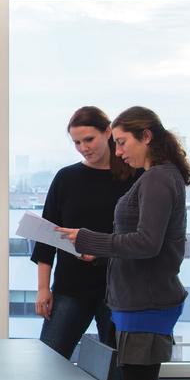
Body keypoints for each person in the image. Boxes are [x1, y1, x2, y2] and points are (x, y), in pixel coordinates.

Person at [58, 107, 190, 380]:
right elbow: (141, 244)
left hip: (145, 302)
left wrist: (89, 240)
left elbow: (147, 243)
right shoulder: (157, 177)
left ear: (146, 137)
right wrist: (101, 254)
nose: (117, 152)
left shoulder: (157, 179)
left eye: (122, 143)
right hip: (138, 301)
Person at [33, 106, 136, 360]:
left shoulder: (134, 176)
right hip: (70, 285)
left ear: (108, 132)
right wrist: (43, 289)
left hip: (117, 289)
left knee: (116, 367)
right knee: (50, 360)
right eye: (77, 142)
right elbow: (47, 237)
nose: (83, 147)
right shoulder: (66, 178)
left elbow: (140, 238)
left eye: (88, 139)